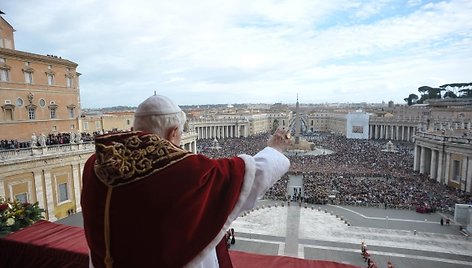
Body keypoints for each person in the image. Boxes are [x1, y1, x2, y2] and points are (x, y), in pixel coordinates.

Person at [81, 94, 291, 268]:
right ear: (173, 133)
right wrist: (275, 149)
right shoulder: (185, 171)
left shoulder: (96, 164)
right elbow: (249, 177)